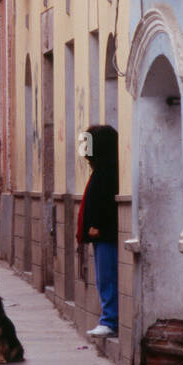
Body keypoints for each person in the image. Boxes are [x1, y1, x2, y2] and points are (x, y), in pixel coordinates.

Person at [77, 125, 120, 338]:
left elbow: (104, 203)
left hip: (104, 234)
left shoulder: (108, 173)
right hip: (101, 234)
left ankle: (110, 320)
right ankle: (107, 318)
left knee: (107, 277)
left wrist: (96, 225)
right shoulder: (102, 170)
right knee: (104, 277)